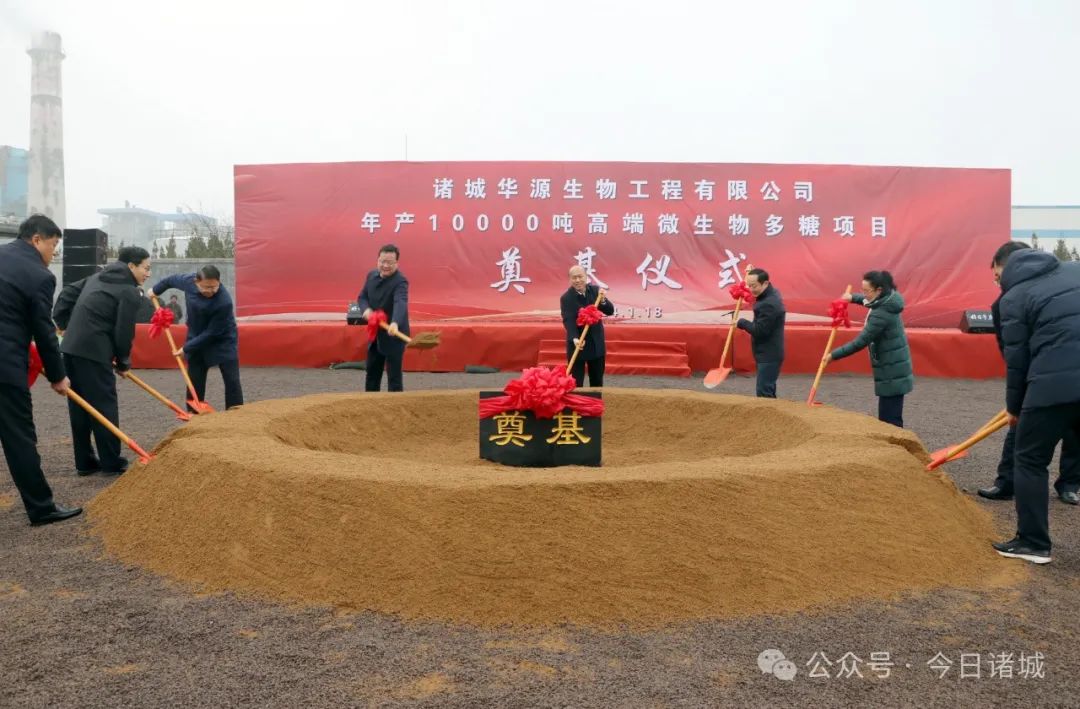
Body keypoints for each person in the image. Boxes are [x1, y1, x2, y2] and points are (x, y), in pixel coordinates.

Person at [992, 244, 1080, 565]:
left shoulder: (1014, 297)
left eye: (997, 276)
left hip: (1052, 387)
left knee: (1029, 459)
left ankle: (1033, 543)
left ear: (1006, 269)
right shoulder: (1075, 271)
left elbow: (1017, 362)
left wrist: (1015, 408)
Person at [0, 215, 82, 525]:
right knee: (19, 437)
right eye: (53, 244)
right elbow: (44, 331)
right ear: (37, 239)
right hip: (4, 368)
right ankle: (41, 507)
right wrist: (59, 375)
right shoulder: (38, 275)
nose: (54, 253)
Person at [53, 246, 150, 476]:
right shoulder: (129, 291)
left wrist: (65, 323)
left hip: (71, 348)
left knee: (79, 406)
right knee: (104, 405)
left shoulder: (97, 277)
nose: (148, 274)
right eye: (146, 268)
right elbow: (123, 330)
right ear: (131, 266)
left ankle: (85, 462)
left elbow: (67, 293)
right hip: (95, 352)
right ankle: (111, 462)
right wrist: (123, 361)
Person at [824, 270, 913, 427]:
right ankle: (894, 445)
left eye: (866, 291)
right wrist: (851, 298)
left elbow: (861, 341)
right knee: (889, 413)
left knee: (889, 419)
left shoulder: (881, 313)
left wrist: (833, 356)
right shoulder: (886, 299)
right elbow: (867, 301)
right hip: (892, 365)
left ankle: (896, 448)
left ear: (878, 290)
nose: (863, 294)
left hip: (891, 369)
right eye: (862, 290)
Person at [149, 265, 243, 410]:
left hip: (222, 338)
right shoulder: (188, 282)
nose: (210, 291)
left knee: (232, 379)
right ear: (196, 282)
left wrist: (186, 348)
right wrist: (155, 290)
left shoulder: (224, 302)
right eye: (206, 287)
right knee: (195, 377)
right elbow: (170, 280)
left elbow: (212, 333)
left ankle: (236, 413)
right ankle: (194, 412)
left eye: (214, 287)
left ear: (219, 282)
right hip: (196, 333)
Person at [358, 244, 410, 392]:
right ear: (377, 260)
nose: (385, 266)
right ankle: (370, 406)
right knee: (372, 373)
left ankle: (395, 409)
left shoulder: (400, 281)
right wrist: (366, 310)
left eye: (390, 263)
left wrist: (395, 322)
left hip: (393, 333)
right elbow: (362, 297)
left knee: (394, 378)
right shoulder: (371, 276)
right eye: (382, 261)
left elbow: (400, 302)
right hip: (375, 332)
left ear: (397, 263)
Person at [561, 265, 615, 387]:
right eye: (574, 278)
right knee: (576, 383)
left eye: (580, 276)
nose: (578, 280)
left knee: (597, 381)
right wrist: (574, 338)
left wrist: (603, 301)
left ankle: (595, 404)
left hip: (596, 344)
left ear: (586, 277)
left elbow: (610, 311)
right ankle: (576, 405)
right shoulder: (566, 298)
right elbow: (568, 320)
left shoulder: (596, 291)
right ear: (570, 280)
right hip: (578, 343)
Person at [736, 268, 786, 398]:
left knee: (764, 394)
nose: (751, 289)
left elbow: (759, 331)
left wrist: (741, 322)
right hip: (768, 353)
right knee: (768, 390)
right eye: (749, 285)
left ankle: (770, 418)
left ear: (765, 283)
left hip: (769, 354)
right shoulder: (771, 293)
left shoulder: (768, 304)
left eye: (754, 286)